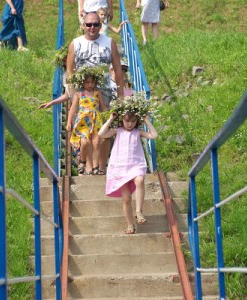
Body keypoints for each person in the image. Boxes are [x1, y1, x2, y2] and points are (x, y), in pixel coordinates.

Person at [66, 11, 125, 175]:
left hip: (105, 92)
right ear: (83, 25)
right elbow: (70, 70)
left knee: (104, 131)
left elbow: (118, 69)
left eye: (96, 24)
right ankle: (89, 165)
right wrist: (72, 94)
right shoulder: (76, 43)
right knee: (88, 131)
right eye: (89, 24)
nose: (92, 27)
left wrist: (120, 95)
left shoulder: (109, 42)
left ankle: (102, 165)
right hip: (84, 96)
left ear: (101, 25)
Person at [98, 111, 158, 234]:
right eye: (127, 121)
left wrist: (146, 120)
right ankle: (130, 224)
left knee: (140, 180)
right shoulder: (117, 131)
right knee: (126, 199)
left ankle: (139, 211)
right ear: (121, 120)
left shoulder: (138, 132)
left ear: (137, 122)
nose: (130, 124)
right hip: (120, 167)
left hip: (136, 164)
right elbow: (101, 133)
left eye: (133, 121)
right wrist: (110, 119)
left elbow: (154, 135)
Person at [67, 65, 108, 175]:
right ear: (82, 82)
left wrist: (109, 118)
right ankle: (82, 161)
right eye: (87, 82)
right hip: (83, 121)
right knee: (84, 142)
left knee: (96, 143)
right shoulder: (78, 94)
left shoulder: (97, 92)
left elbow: (103, 107)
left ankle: (95, 166)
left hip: (96, 120)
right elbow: (73, 108)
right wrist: (68, 122)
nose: (90, 85)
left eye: (92, 82)